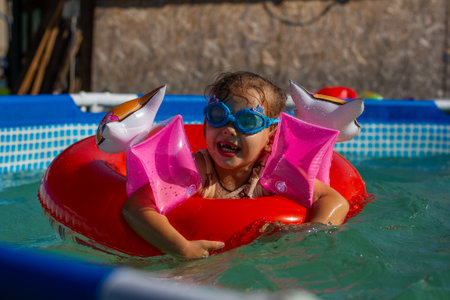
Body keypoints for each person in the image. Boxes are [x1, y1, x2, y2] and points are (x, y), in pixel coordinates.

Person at [122, 71, 349, 259]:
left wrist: (310, 232)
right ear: (204, 125)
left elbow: (334, 200)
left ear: (270, 139)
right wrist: (182, 248)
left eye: (248, 122)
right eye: (218, 115)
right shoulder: (198, 171)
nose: (229, 129)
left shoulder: (272, 173)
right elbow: (137, 208)